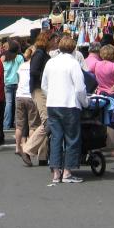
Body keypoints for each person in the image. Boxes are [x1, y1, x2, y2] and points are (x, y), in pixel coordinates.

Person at [42, 35, 88, 184]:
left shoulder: (51, 62)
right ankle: (67, 172)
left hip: (53, 104)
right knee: (72, 138)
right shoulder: (73, 63)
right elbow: (80, 88)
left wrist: (52, 96)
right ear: (73, 48)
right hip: (70, 105)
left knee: (56, 138)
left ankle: (56, 173)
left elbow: (44, 85)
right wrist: (85, 103)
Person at [20, 32, 51, 166]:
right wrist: (46, 75)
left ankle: (43, 156)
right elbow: (33, 71)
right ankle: (27, 149)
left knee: (42, 122)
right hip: (39, 89)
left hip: (39, 89)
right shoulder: (39, 53)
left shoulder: (41, 53)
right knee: (47, 122)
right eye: (55, 39)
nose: (56, 42)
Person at [15, 46, 40, 156]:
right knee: (33, 124)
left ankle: (17, 147)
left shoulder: (21, 66)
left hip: (19, 95)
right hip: (30, 95)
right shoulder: (34, 67)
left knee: (20, 124)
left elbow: (19, 78)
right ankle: (30, 149)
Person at [2, 40, 23, 130]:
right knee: (17, 104)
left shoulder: (4, 57)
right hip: (17, 82)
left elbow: (2, 69)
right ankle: (17, 123)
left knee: (8, 103)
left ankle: (6, 124)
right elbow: (22, 70)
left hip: (7, 82)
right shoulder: (19, 58)